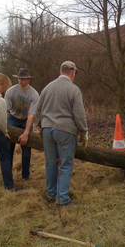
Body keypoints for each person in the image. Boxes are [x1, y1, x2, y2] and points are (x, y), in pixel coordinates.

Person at [35, 61, 88, 206]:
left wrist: (41, 126)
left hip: (47, 130)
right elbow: (79, 114)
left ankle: (51, 194)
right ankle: (62, 199)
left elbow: (37, 110)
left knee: (50, 163)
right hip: (66, 131)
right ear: (73, 72)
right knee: (65, 164)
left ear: (60, 72)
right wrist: (84, 132)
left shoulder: (47, 87)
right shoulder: (73, 89)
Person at [5, 68, 39, 181]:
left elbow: (31, 116)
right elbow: (6, 111)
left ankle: (25, 177)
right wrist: (4, 127)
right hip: (12, 119)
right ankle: (7, 176)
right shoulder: (11, 91)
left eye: (23, 79)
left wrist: (26, 133)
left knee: (26, 150)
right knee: (8, 149)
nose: (20, 81)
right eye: (19, 78)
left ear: (28, 79)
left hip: (26, 121)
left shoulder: (34, 94)